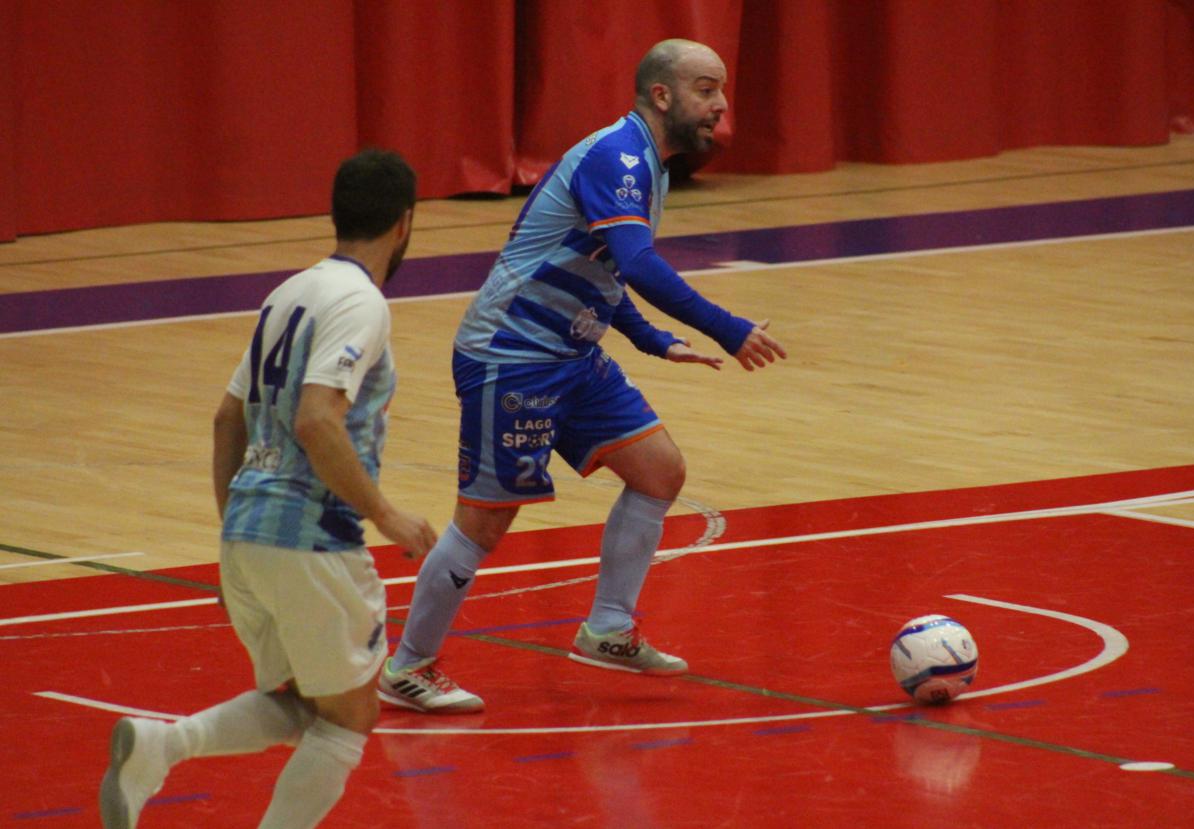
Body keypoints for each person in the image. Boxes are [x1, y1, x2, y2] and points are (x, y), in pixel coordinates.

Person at [378, 39, 785, 714]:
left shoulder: (646, 166)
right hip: (511, 354)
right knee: (484, 521)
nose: (721, 105)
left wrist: (653, 340)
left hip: (572, 355)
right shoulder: (616, 157)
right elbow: (640, 264)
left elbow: (604, 269)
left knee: (659, 470)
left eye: (721, 90)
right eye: (707, 89)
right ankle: (407, 667)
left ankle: (607, 628)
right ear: (662, 95)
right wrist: (728, 327)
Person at [99, 148, 437, 828]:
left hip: (248, 532)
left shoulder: (287, 294)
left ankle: (163, 746)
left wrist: (234, 531)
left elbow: (228, 418)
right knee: (351, 716)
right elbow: (316, 419)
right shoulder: (361, 303)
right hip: (309, 537)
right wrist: (387, 514)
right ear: (404, 223)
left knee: (311, 705)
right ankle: (165, 746)